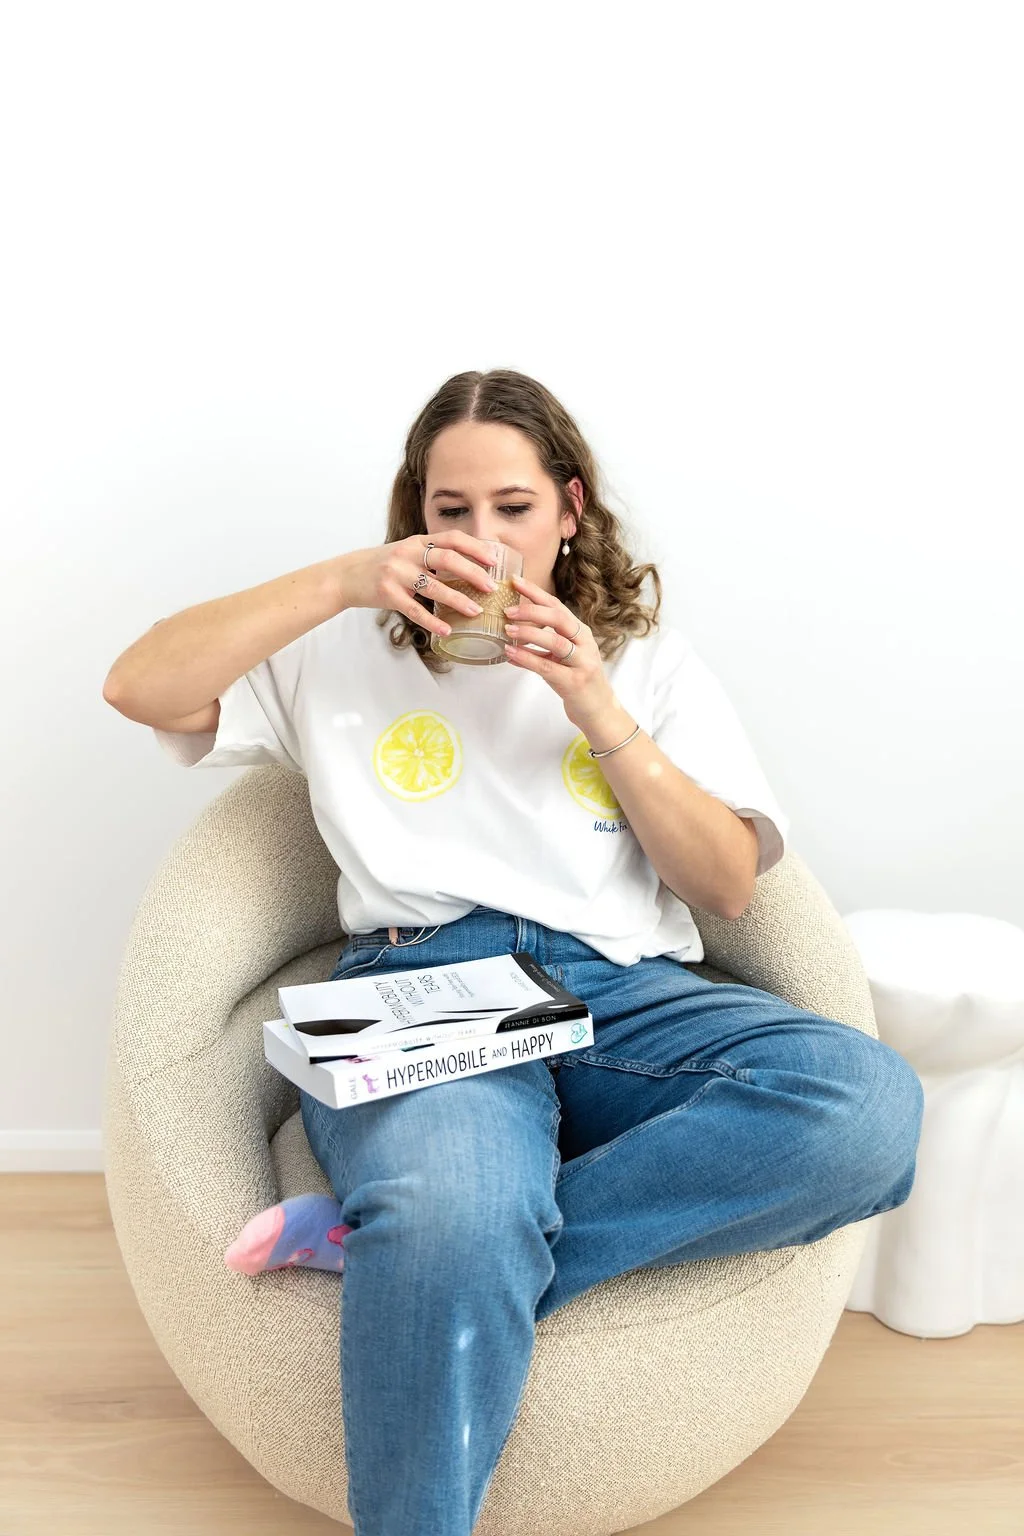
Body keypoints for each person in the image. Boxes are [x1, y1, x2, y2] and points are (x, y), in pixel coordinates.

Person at [103, 368, 925, 1536]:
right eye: (450, 511)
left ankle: (392, 1258)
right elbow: (137, 684)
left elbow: (728, 884)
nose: (481, 540)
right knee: (452, 1213)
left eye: (513, 507)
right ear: (414, 516)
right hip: (421, 981)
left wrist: (598, 705)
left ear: (570, 509)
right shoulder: (339, 653)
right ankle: (433, 1248)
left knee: (867, 1109)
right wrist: (343, 579)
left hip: (619, 994)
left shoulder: (648, 664)